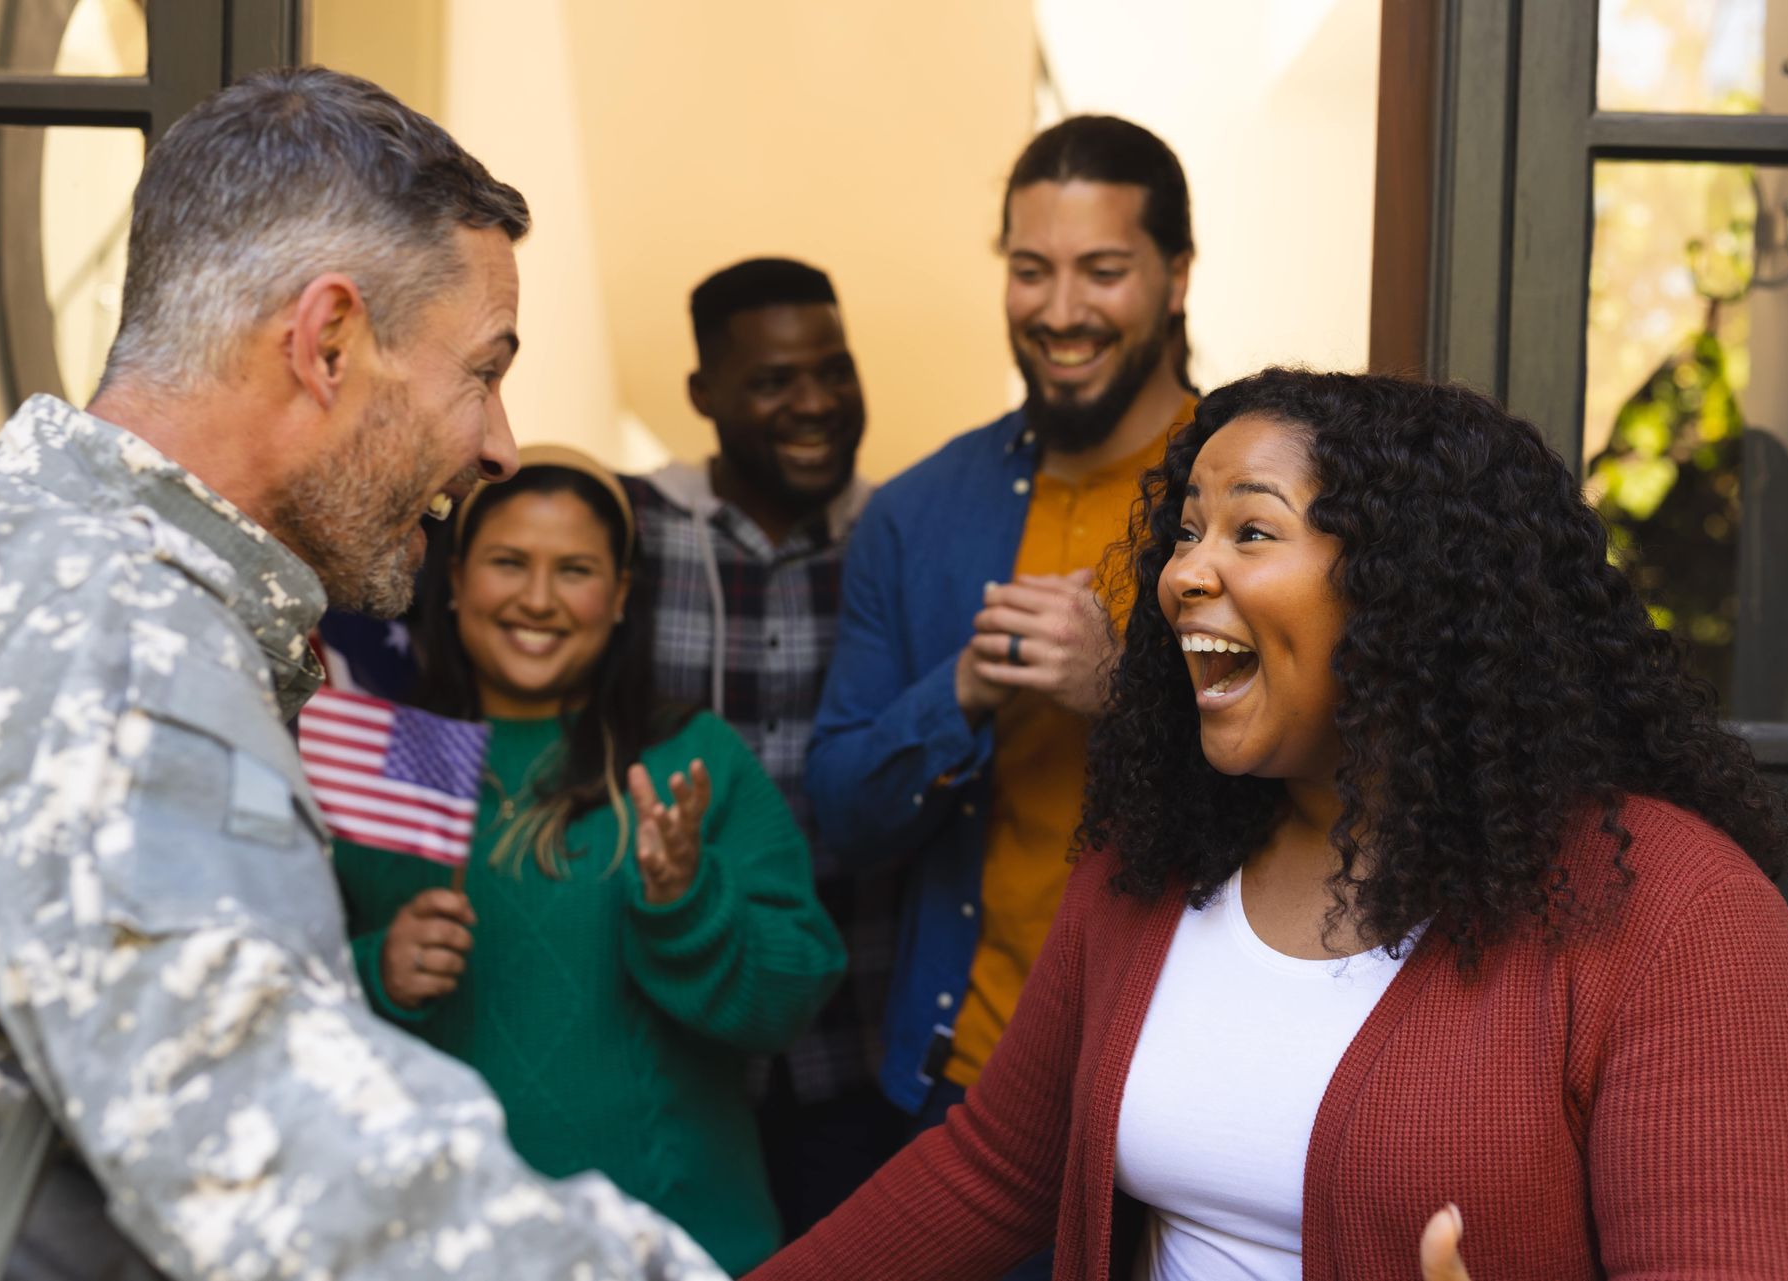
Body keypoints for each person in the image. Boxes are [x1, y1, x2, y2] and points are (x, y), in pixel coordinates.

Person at [753, 368, 1788, 1279]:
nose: (1184, 571)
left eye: (1251, 530)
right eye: (1185, 532)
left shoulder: (1678, 914)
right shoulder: (1152, 860)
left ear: (1406, 590)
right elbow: (992, 1172)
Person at [0, 68, 725, 1279]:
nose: (500, 443)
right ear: (327, 342)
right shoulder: (118, 648)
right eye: (482, 370)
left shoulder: (43, 569)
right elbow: (291, 1174)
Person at [333, 448, 847, 1275]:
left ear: (618, 598)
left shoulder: (687, 756)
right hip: (451, 1248)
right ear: (456, 580)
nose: (537, 598)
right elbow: (279, 991)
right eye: (509, 563)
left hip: (675, 1244)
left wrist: (689, 900)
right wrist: (377, 969)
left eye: (574, 569)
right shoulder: (395, 759)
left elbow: (793, 998)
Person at [806, 115, 1197, 1168]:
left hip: (1195, 1084)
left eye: (1103, 270)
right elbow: (842, 807)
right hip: (971, 1085)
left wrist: (1122, 689)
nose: (1061, 311)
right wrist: (962, 692)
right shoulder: (919, 512)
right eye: (1032, 271)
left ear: (1177, 276)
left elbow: (1346, 776)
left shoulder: (1261, 489)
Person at [622, 258, 902, 1236]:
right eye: (775, 379)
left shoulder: (897, 538)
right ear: (704, 394)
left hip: (858, 1046)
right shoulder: (631, 530)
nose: (815, 402)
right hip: (669, 1044)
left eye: (834, 369)